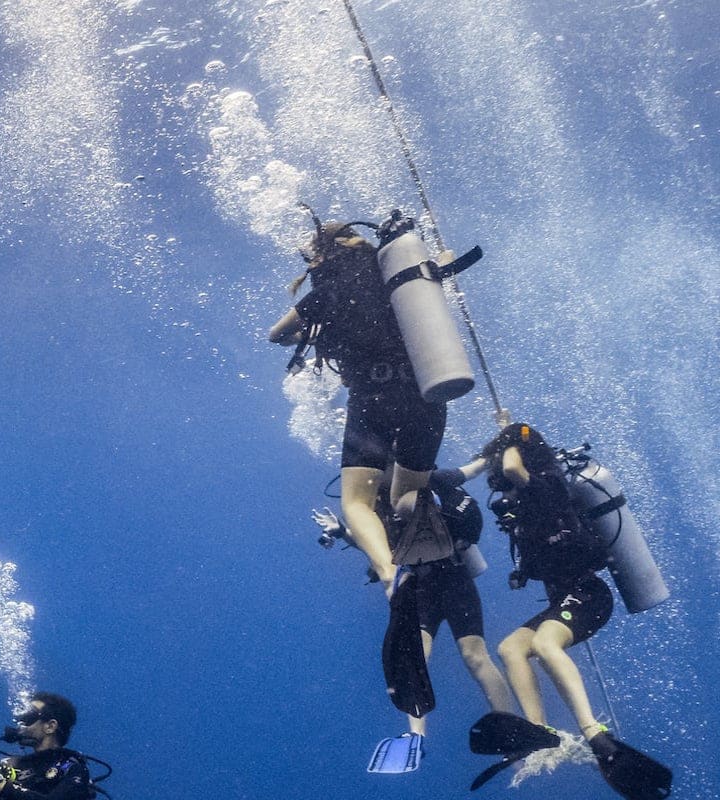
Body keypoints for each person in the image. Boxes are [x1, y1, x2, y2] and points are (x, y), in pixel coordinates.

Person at [464, 423, 671, 798]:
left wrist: (513, 436)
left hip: (589, 596)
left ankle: (593, 731)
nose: (505, 496)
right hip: (566, 600)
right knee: (511, 648)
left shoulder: (548, 490)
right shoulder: (528, 513)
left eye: (506, 487)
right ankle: (537, 730)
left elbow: (514, 468)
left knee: (545, 645)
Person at [270, 219, 446, 593]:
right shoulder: (397, 277)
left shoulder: (326, 293)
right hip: (423, 393)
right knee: (404, 497)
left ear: (322, 254)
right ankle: (433, 550)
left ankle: (389, 573)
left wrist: (311, 330)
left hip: (373, 400)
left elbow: (276, 335)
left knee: (357, 502)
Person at [353, 478, 516, 773]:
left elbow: (469, 479)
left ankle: (508, 726)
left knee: (475, 655)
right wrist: (344, 532)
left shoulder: (435, 484)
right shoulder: (379, 505)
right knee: (417, 655)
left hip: (454, 579)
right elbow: (372, 540)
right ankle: (416, 735)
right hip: (421, 588)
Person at [0, 693, 100, 799]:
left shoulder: (71, 768)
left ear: (50, 726)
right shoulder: (11, 766)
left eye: (30, 716)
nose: (21, 724)